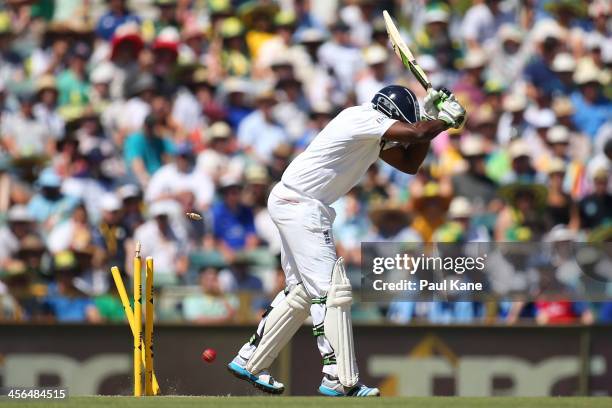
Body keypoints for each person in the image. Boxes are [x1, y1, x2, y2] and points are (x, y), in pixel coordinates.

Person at [227, 84, 466, 396]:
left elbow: (410, 164)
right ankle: (338, 377)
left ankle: (250, 359)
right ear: (391, 114)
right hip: (302, 205)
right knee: (332, 290)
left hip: (298, 203)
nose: (395, 137)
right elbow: (417, 135)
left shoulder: (372, 132)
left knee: (302, 292)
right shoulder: (363, 118)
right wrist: (443, 122)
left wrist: (431, 117)